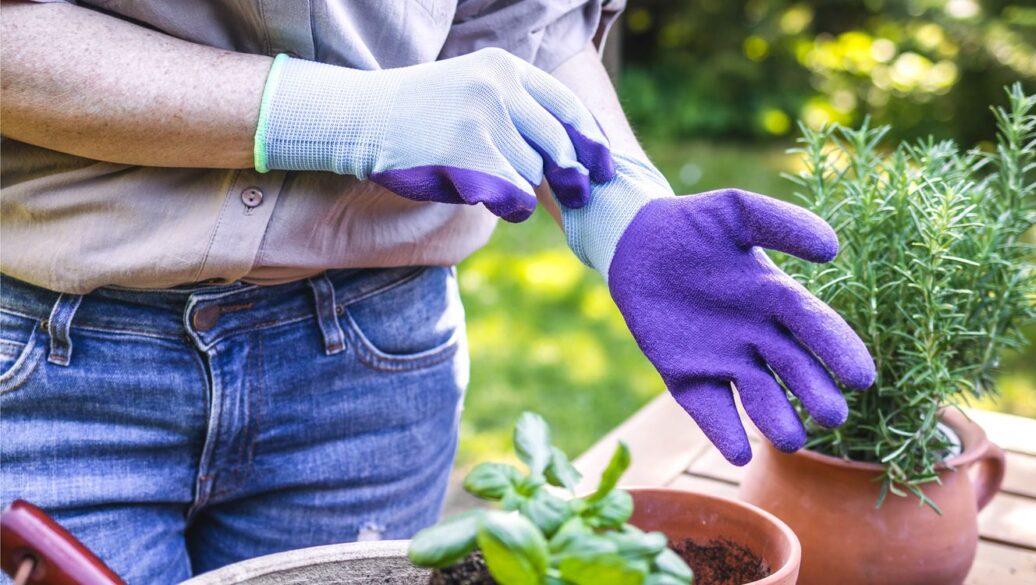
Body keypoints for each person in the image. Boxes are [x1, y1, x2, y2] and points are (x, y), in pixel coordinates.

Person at [0, 0, 876, 581]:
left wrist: (618, 207)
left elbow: (522, 22)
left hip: (372, 363)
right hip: (53, 363)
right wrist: (346, 116)